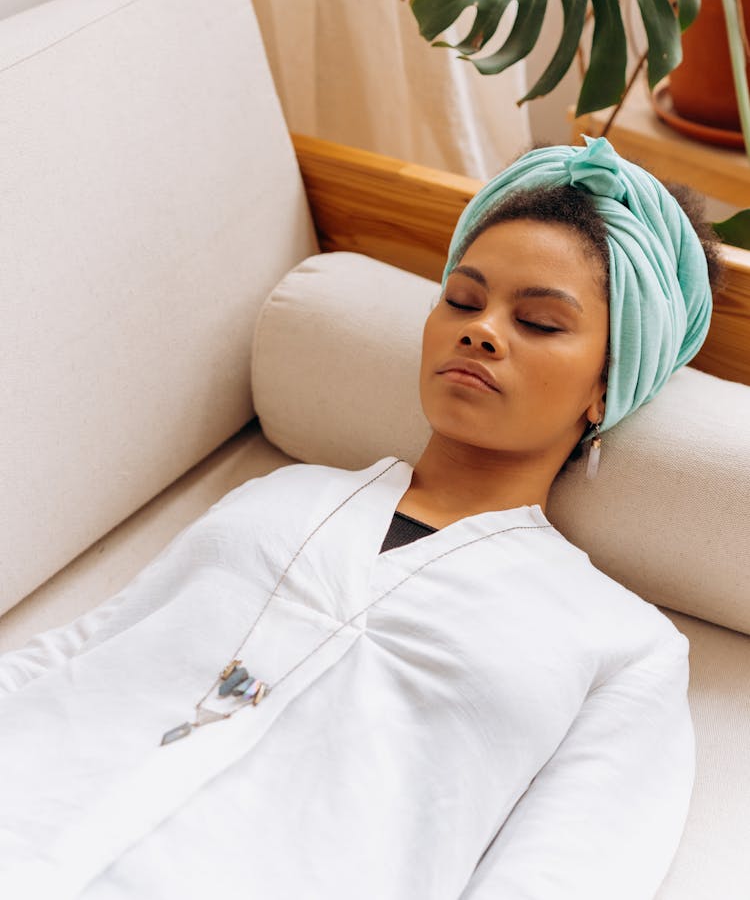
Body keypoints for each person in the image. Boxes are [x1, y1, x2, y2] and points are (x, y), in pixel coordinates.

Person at [0, 137, 722, 899]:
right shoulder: (280, 493)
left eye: (540, 321)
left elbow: (569, 877)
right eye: (463, 300)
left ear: (605, 388)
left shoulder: (625, 646)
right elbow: (77, 649)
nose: (482, 330)